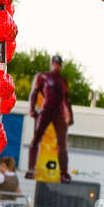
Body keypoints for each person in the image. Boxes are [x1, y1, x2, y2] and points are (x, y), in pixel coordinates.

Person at [26, 54, 73, 183]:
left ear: (60, 65)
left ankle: (64, 173)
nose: (57, 66)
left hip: (59, 113)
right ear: (52, 63)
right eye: (55, 63)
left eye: (59, 64)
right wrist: (31, 109)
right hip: (46, 110)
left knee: (62, 143)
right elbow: (35, 93)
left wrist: (70, 116)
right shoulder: (43, 76)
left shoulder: (63, 81)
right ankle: (31, 169)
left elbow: (67, 100)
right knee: (36, 139)